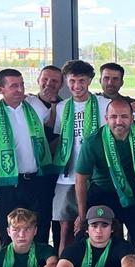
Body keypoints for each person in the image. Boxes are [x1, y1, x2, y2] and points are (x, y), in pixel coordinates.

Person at [75, 98, 135, 247]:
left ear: (132, 119)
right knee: (103, 240)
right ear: (106, 119)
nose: (119, 121)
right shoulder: (93, 141)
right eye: (113, 117)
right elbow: (80, 180)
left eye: (124, 116)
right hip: (104, 193)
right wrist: (82, 215)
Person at [0, 69, 54, 246]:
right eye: (14, 86)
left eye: (21, 85)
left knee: (40, 229)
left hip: (37, 180)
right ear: (0, 88)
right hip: (9, 183)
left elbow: (52, 124)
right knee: (8, 231)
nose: (19, 89)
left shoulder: (35, 105)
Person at [52, 60, 111, 254]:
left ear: (90, 81)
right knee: (66, 228)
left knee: (96, 226)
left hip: (95, 176)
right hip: (67, 176)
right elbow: (59, 138)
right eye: (72, 81)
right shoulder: (61, 107)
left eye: (82, 81)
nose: (77, 86)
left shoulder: (104, 105)